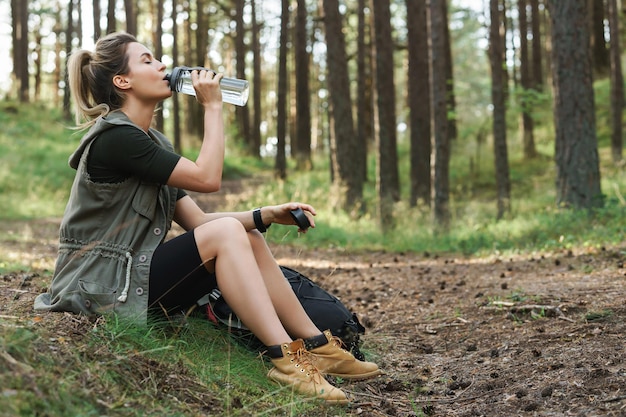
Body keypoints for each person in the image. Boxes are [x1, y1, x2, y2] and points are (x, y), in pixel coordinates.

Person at [33, 32, 381, 404]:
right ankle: (286, 360)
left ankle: (317, 346)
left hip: (130, 279)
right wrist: (213, 107)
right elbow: (208, 179)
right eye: (148, 60)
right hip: (98, 287)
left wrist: (265, 215)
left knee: (246, 235)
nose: (163, 65)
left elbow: (200, 223)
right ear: (123, 81)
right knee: (231, 232)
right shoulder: (117, 138)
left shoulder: (152, 143)